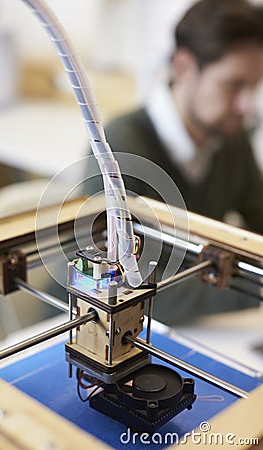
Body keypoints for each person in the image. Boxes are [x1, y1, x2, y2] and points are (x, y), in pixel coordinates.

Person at [83, 0, 263, 325]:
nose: (246, 106)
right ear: (183, 67)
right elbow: (122, 285)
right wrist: (253, 287)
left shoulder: (230, 138)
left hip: (191, 329)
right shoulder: (119, 150)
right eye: (234, 85)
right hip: (95, 330)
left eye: (254, 86)